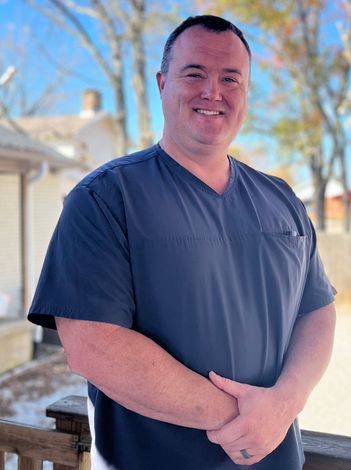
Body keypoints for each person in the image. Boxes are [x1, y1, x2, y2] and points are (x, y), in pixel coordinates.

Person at [28, 15, 336, 470]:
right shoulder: (105, 199)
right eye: (195, 74)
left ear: (246, 91)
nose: (213, 90)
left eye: (231, 78)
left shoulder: (281, 200)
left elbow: (317, 310)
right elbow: (92, 345)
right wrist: (246, 418)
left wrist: (285, 401)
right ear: (161, 82)